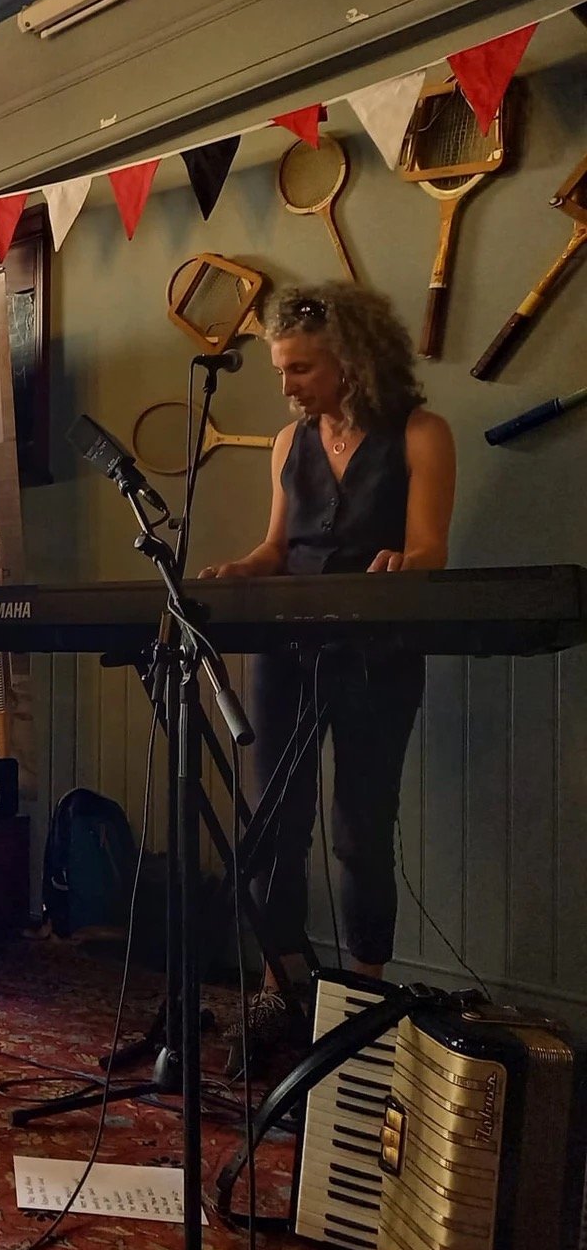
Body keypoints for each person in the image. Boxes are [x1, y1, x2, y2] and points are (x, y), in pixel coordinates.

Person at [198, 283, 456, 1074]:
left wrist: (401, 564)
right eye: (282, 370)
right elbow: (276, 548)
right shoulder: (288, 443)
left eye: (302, 369)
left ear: (352, 361)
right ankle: (284, 986)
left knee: (358, 830)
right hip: (286, 651)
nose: (288, 386)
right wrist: (243, 566)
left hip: (378, 654)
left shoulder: (421, 434)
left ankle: (362, 997)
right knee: (274, 825)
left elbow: (429, 551)